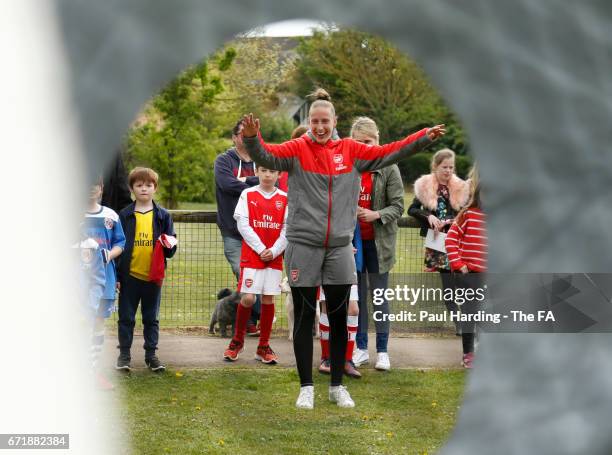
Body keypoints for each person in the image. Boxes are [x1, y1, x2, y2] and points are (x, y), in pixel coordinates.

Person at [241, 88, 445, 409]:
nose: (320, 126)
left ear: (335, 121)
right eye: (315, 121)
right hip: (303, 246)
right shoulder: (296, 150)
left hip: (339, 248)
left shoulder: (351, 151)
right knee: (306, 317)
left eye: (325, 121)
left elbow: (392, 151)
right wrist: (253, 140)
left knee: (339, 319)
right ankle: (306, 387)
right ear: (309, 121)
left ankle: (336, 386)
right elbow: (267, 155)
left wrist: (423, 138)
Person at [347, 117, 404, 372]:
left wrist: (375, 214)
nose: (364, 146)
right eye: (359, 142)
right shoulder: (348, 167)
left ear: (377, 140)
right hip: (353, 245)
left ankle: (382, 351)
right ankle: (360, 348)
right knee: (356, 298)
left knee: (379, 297)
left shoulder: (389, 167)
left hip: (380, 246)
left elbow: (398, 206)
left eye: (368, 142)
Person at [223, 165, 288, 364]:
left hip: (274, 256)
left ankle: (263, 346)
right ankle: (237, 341)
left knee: (268, 300)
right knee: (249, 299)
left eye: (272, 171)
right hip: (253, 255)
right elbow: (242, 224)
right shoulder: (247, 194)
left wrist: (275, 250)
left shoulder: (285, 198)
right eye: (264, 170)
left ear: (279, 175)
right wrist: (261, 249)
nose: (268, 174)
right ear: (257, 172)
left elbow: (288, 228)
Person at [116, 167, 177, 372]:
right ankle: (124, 355)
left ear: (155, 188)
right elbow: (118, 245)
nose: (144, 189)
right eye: (139, 185)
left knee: (151, 318)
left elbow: (171, 247)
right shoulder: (124, 215)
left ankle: (151, 355)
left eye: (148, 185)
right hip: (129, 277)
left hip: (153, 278)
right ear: (132, 188)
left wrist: (170, 245)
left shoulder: (163, 216)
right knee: (126, 318)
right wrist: (117, 275)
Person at [407, 149, 469, 335]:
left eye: (451, 167)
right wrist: (429, 217)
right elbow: (412, 209)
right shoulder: (425, 186)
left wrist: (452, 220)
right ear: (435, 167)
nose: (448, 171)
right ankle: (459, 323)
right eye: (444, 167)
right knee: (448, 286)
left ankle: (469, 321)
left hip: (458, 242)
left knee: (465, 285)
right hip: (438, 243)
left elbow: (466, 212)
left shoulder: (460, 187)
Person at [214, 119, 261, 334]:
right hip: (232, 230)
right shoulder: (224, 160)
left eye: (250, 133)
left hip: (259, 230)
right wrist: (254, 182)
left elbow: (273, 183)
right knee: (241, 272)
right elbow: (226, 184)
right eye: (241, 133)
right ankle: (250, 320)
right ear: (234, 137)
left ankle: (251, 319)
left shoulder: (262, 159)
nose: (246, 136)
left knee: (258, 274)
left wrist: (245, 180)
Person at [81, 178, 126, 388]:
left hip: (105, 278)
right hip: (79, 280)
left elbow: (121, 242)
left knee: (98, 321)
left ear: (101, 189)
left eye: (94, 184)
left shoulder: (110, 215)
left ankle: (92, 370)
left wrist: (109, 255)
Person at [445, 165, 487, 368]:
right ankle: (468, 353)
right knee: (471, 313)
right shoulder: (468, 215)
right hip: (468, 274)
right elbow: (451, 239)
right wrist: (458, 264)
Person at [318, 222, 363, 379]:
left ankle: (347, 359)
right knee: (326, 307)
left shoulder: (349, 202)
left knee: (353, 309)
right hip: (325, 255)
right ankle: (326, 357)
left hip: (347, 258)